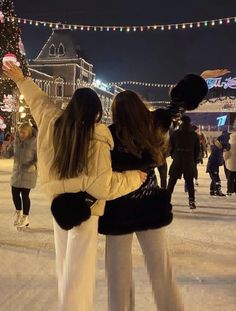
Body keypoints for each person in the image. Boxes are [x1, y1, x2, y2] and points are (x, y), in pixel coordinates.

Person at [3, 63, 146, 311]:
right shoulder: (97, 136)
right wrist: (135, 178)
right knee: (79, 271)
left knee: (65, 265)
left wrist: (21, 79)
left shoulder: (52, 121)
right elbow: (104, 186)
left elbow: (38, 100)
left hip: (59, 205)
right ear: (96, 113)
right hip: (86, 209)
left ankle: (66, 304)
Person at [99, 90, 183, 311]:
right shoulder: (152, 128)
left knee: (118, 277)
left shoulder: (109, 134)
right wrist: (203, 78)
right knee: (161, 271)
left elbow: (100, 169)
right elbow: (177, 106)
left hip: (118, 210)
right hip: (149, 207)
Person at [4, 123, 37, 228]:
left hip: (28, 173)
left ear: (29, 132)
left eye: (23, 132)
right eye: (20, 132)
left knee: (25, 196)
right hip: (16, 173)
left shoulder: (35, 142)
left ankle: (25, 217)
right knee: (14, 194)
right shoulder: (16, 141)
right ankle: (19, 214)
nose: (21, 134)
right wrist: (6, 149)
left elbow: (39, 157)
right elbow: (8, 154)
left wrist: (33, 165)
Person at [167, 115, 200, 209]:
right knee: (190, 183)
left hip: (178, 159)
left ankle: (166, 200)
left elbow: (171, 147)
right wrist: (192, 159)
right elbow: (197, 150)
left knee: (172, 182)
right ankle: (191, 202)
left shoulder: (175, 133)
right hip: (189, 160)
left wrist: (175, 155)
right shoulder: (194, 135)